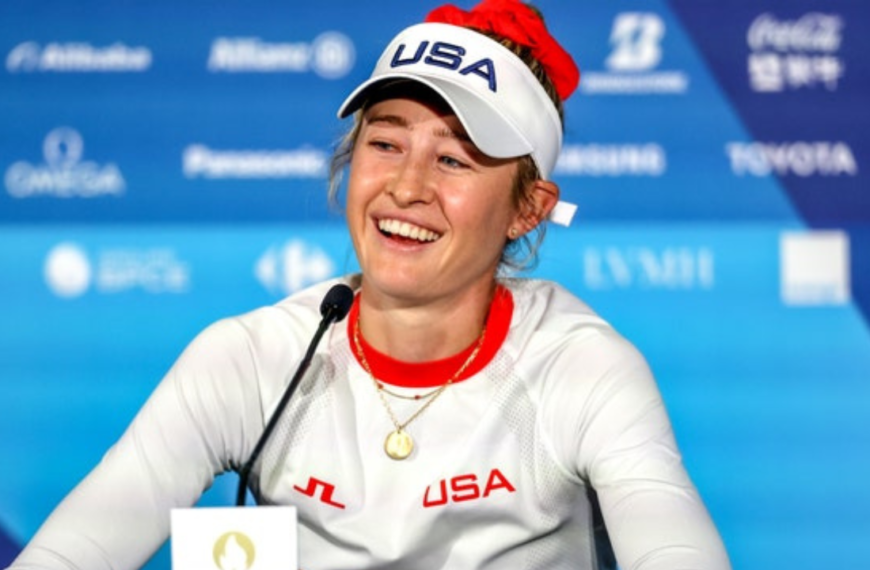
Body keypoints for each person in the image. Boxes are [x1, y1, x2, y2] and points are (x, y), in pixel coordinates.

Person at [8, 1, 732, 569]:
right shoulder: (250, 358)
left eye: (454, 160)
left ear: (528, 209)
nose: (406, 187)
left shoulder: (580, 366)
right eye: (385, 143)